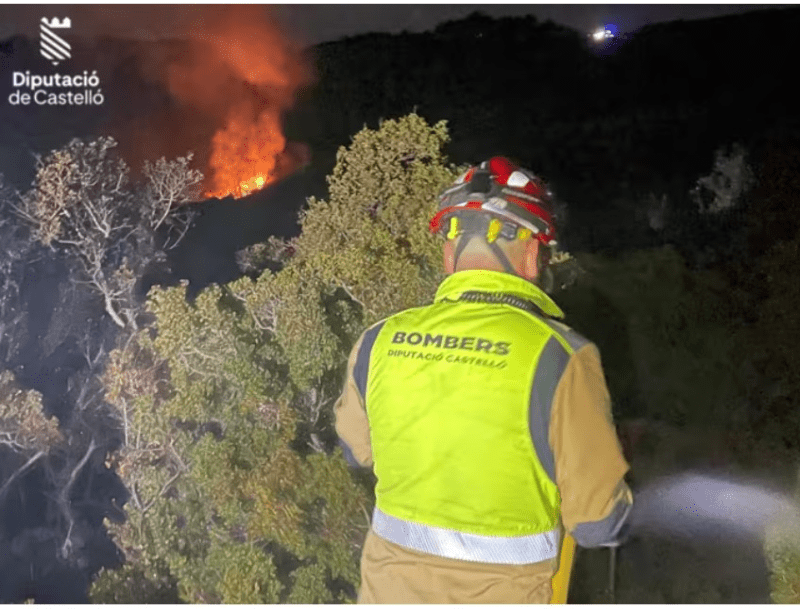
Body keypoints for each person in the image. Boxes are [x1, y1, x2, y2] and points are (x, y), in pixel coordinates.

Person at [334, 156, 633, 603]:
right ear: (533, 253)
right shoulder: (562, 356)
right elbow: (598, 524)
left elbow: (355, 450)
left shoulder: (379, 340)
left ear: (448, 251)